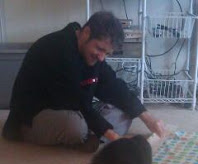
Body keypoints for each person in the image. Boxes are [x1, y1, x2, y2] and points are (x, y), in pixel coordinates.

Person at [2, 11, 165, 152]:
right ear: (86, 32)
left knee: (124, 112)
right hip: (34, 116)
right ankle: (90, 136)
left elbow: (114, 86)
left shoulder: (93, 56)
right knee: (75, 126)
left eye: (106, 53)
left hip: (76, 108)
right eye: (100, 49)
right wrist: (113, 136)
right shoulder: (56, 49)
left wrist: (148, 118)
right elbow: (77, 101)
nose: (102, 57)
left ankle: (92, 138)